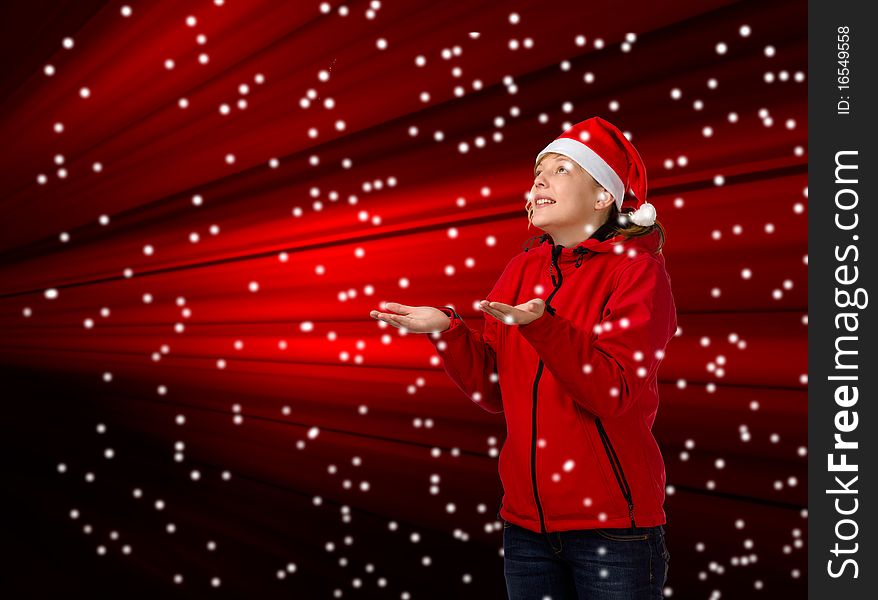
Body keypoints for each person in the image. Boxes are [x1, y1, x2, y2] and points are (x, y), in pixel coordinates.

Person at [369, 116, 677, 599]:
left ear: (603, 197)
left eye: (560, 169)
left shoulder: (637, 273)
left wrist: (541, 327)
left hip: (613, 530)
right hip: (525, 529)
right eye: (538, 171)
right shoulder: (520, 268)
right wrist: (447, 331)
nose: (539, 180)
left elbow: (611, 393)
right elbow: (495, 391)